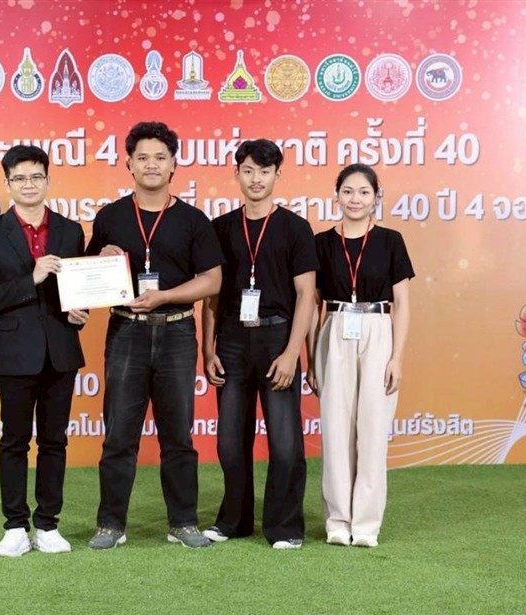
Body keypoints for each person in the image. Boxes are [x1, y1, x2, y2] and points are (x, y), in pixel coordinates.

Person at [85, 121, 223, 550]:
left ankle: (183, 522)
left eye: (160, 157)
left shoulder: (193, 220)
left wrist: (164, 296)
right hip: (126, 330)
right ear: (128, 164)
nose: (151, 164)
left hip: (177, 331)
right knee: (119, 434)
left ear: (173, 165)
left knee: (178, 435)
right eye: (142, 157)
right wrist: (101, 257)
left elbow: (213, 280)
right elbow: (86, 277)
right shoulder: (110, 217)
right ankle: (110, 524)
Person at [0, 144, 89, 557]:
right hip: (14, 354)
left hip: (61, 351)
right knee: (14, 442)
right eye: (19, 178)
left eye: (36, 176)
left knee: (55, 441)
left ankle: (49, 524)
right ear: (8, 184)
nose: (28, 184)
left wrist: (80, 311)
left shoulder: (70, 231)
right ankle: (16, 526)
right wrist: (31, 278)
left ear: (48, 181)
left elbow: (79, 289)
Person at [202, 139, 317, 550]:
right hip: (232, 339)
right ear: (237, 173)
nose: (256, 179)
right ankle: (233, 521)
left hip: (277, 338)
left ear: (277, 176)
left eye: (264, 172)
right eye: (248, 170)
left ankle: (285, 528)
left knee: (285, 444)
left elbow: (306, 294)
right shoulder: (221, 228)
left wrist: (292, 352)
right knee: (230, 442)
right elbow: (212, 295)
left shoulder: (295, 228)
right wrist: (208, 348)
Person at [306, 163, 414, 548]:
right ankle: (337, 520)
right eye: (348, 191)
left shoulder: (390, 240)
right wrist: (310, 357)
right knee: (335, 429)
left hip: (378, 329)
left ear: (375, 197)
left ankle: (366, 525)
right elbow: (313, 304)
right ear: (337, 195)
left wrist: (396, 357)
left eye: (364, 192)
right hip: (334, 328)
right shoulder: (321, 242)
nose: (355, 199)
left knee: (372, 429)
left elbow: (403, 303)